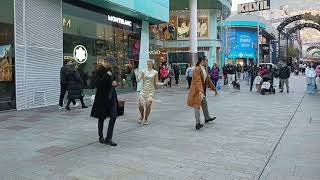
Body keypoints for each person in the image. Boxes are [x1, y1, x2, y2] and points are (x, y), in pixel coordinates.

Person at [91, 56, 119, 146]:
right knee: (101, 118)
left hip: (112, 96)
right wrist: (107, 76)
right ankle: (101, 137)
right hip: (102, 98)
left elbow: (114, 79)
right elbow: (97, 84)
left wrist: (115, 83)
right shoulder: (97, 71)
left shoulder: (110, 70)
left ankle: (109, 138)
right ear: (105, 61)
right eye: (110, 63)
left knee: (114, 116)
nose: (111, 65)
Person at [187, 56, 218, 130]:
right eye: (206, 60)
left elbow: (208, 80)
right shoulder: (197, 69)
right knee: (196, 106)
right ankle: (197, 123)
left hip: (201, 91)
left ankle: (207, 118)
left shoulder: (205, 69)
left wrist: (214, 89)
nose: (207, 61)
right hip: (196, 91)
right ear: (202, 61)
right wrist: (201, 91)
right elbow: (198, 81)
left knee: (204, 103)